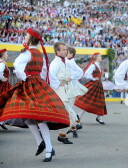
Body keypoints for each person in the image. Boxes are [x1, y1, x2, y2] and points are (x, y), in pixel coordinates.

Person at [0, 28, 70, 162]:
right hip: (38, 83)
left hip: (30, 84)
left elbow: (16, 64)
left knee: (36, 117)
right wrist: (43, 83)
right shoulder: (39, 53)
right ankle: (41, 143)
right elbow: (44, 71)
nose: (25, 37)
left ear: (31, 38)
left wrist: (24, 77)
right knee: (28, 116)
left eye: (26, 35)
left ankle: (48, 147)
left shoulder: (28, 52)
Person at [49, 42, 79, 143]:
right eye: (63, 49)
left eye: (66, 49)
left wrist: (68, 80)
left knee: (66, 113)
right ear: (57, 51)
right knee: (70, 113)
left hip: (64, 89)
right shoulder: (55, 63)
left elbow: (77, 72)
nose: (65, 51)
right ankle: (71, 127)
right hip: (59, 90)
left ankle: (62, 135)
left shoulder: (64, 61)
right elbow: (51, 75)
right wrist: (58, 83)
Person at [74, 53, 107, 125]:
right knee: (88, 101)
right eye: (100, 56)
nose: (101, 57)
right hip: (94, 85)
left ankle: (99, 117)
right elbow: (86, 74)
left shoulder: (98, 65)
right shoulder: (93, 65)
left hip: (98, 85)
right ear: (96, 57)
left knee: (100, 101)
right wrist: (94, 78)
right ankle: (79, 116)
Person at [66, 46, 88, 135]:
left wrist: (71, 78)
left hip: (70, 86)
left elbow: (80, 72)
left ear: (71, 54)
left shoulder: (69, 62)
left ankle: (76, 123)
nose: (65, 53)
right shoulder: (69, 61)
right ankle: (73, 126)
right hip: (71, 86)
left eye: (66, 52)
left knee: (67, 106)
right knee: (68, 106)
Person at [0, 48, 11, 130]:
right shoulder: (2, 63)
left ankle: (2, 121)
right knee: (6, 102)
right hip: (3, 86)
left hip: (4, 85)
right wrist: (3, 78)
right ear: (3, 55)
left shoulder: (3, 63)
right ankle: (1, 121)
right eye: (6, 54)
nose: (7, 55)